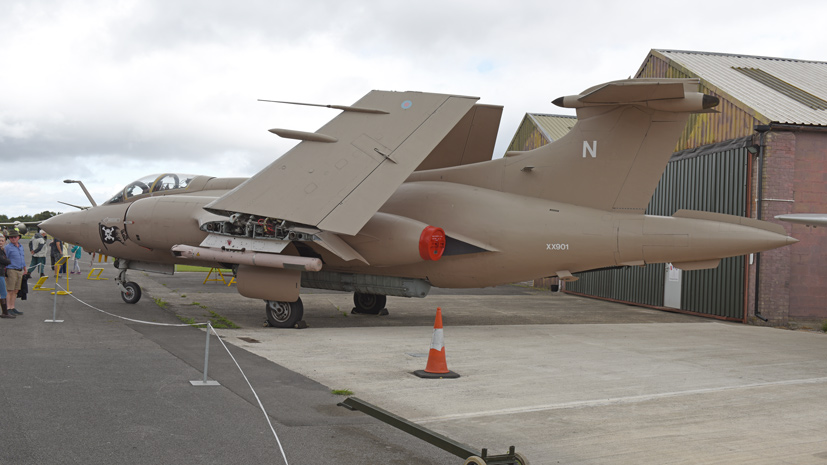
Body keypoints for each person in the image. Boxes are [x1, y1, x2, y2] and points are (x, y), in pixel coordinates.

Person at [4, 228, 26, 315]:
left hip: (19, 270)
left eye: (15, 237)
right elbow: (4, 259)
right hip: (11, 270)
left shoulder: (21, 247)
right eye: (11, 237)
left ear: (18, 237)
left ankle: (12, 307)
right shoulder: (7, 248)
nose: (13, 238)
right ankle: (8, 308)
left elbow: (22, 258)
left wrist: (25, 268)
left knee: (16, 290)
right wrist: (5, 272)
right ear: (9, 238)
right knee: (10, 290)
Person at [0, 235, 15, 319]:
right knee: (3, 293)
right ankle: (5, 313)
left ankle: (5, 312)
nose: (1, 242)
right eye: (0, 240)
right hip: (0, 274)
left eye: (2, 241)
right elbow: (3, 260)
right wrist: (8, 261)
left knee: (3, 293)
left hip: (2, 273)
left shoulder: (2, 250)